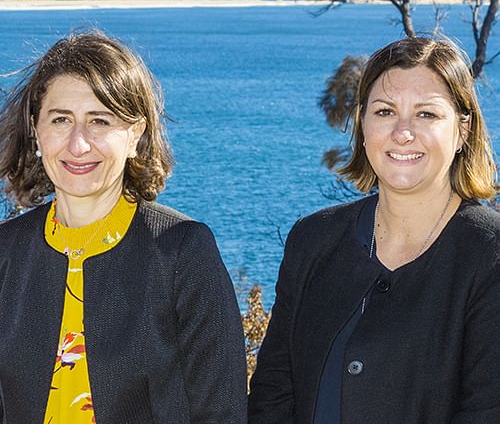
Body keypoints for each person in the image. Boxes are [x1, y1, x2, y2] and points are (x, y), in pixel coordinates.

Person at [248, 37, 500, 423]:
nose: (403, 132)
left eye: (426, 115)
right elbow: (272, 393)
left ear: (463, 131)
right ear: (362, 124)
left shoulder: (489, 255)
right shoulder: (312, 240)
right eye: (384, 111)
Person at [0, 31, 247, 424]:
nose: (78, 144)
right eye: (61, 119)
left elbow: (222, 411)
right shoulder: (7, 252)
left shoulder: (181, 251)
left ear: (136, 134)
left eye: (100, 121)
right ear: (36, 132)